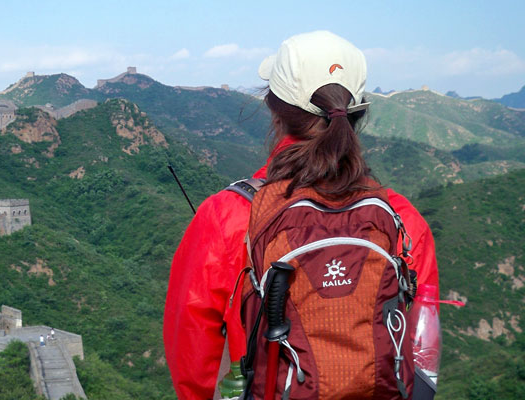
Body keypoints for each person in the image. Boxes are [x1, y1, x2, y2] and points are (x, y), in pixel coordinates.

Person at [163, 30, 439, 400]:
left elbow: (194, 362)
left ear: (275, 113)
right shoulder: (401, 219)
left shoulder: (227, 218)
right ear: (356, 115)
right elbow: (422, 352)